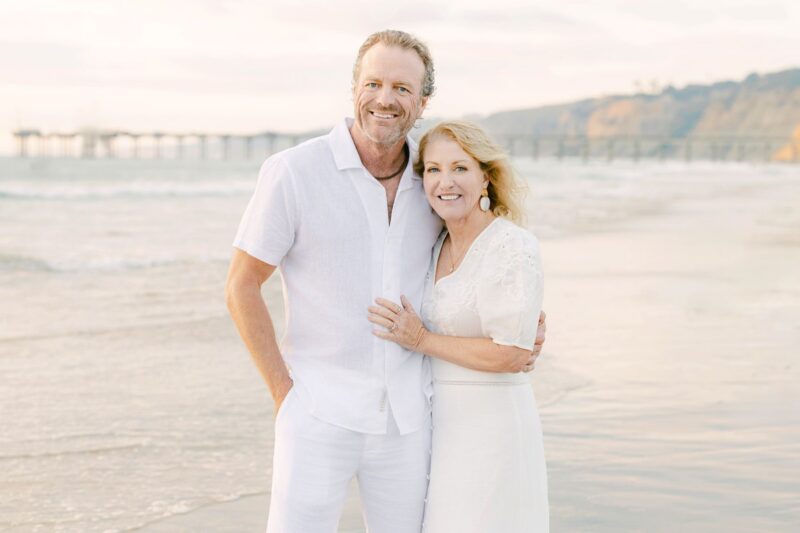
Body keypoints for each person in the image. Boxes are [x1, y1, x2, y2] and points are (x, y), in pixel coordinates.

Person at [225, 30, 546, 533]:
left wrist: (524, 326)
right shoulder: (293, 171)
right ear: (354, 88)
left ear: (422, 101)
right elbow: (242, 285)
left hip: (409, 421)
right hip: (317, 411)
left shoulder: (434, 178)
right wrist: (283, 393)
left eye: (401, 87)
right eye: (373, 82)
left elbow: (476, 256)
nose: (385, 99)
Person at [369, 121, 548, 532]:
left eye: (459, 168)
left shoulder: (512, 246)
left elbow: (513, 353)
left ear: (486, 176)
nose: (444, 182)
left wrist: (421, 339)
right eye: (432, 169)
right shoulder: (434, 244)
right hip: (440, 432)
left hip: (494, 428)